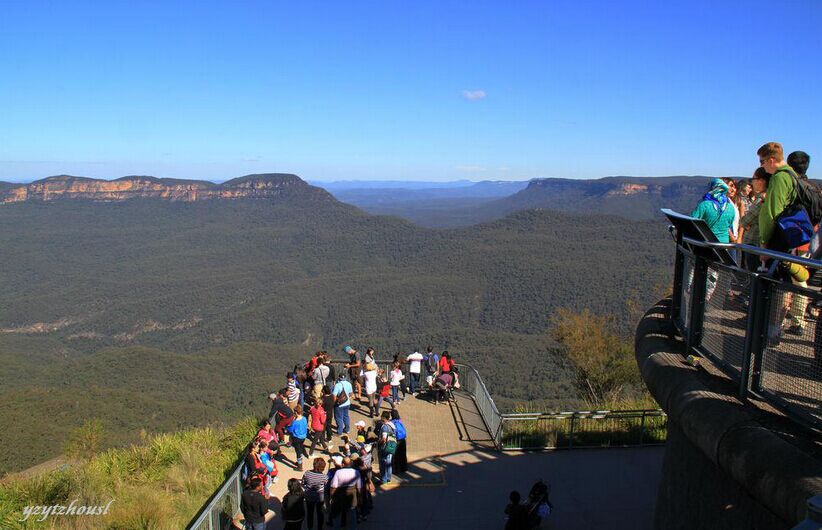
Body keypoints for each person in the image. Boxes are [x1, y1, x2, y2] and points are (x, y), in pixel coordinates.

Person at [740, 168, 770, 272]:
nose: (752, 182)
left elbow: (744, 221)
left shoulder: (761, 199)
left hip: (753, 243)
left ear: (761, 181)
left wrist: (746, 224)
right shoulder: (771, 196)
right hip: (761, 245)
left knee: (752, 274)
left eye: (753, 179)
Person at [328, 457, 361, 530]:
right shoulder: (356, 472)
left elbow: (334, 486)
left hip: (339, 495)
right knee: (352, 515)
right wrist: (359, 497)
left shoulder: (338, 472)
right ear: (351, 464)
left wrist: (331, 496)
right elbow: (359, 487)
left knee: (337, 514)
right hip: (352, 495)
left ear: (342, 464)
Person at [302, 457, 329, 530]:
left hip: (309, 496)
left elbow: (303, 483)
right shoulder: (324, 476)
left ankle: (310, 527)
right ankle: (320, 527)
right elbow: (326, 486)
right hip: (320, 497)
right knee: (320, 513)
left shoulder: (307, 473)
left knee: (310, 512)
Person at [377, 411, 397, 484]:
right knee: (388, 463)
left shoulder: (385, 426)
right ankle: (388, 478)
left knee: (383, 464)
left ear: (383, 417)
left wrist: (378, 442)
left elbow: (384, 439)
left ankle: (383, 479)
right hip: (391, 446)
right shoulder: (392, 425)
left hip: (384, 447)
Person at [288, 405, 309, 471]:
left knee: (298, 452)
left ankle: (300, 466)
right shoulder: (304, 418)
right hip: (303, 437)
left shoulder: (295, 422)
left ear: (296, 413)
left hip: (297, 438)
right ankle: (299, 462)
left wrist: (288, 427)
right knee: (300, 449)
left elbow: (290, 430)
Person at [389, 409, 408, 474]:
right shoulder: (400, 420)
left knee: (395, 455)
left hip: (396, 440)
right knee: (403, 454)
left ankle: (396, 470)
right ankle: (404, 468)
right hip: (403, 439)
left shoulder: (391, 422)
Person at [362, 350, 378, 418]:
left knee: (370, 400)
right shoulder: (374, 372)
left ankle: (371, 413)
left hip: (368, 388)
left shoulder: (366, 373)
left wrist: (363, 368)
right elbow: (376, 371)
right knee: (374, 399)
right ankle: (377, 412)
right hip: (374, 387)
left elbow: (361, 375)